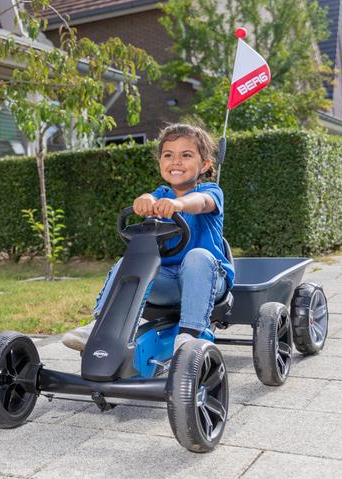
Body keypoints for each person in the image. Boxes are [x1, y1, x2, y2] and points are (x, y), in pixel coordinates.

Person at [61, 123, 234, 352]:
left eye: (186, 155)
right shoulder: (162, 193)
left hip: (208, 280)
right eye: (168, 155)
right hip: (168, 284)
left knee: (197, 257)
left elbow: (201, 203)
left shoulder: (211, 191)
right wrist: (144, 201)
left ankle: (191, 333)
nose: (176, 161)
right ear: (160, 162)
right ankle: (102, 326)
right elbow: (148, 197)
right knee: (130, 262)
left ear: (205, 164)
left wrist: (178, 204)